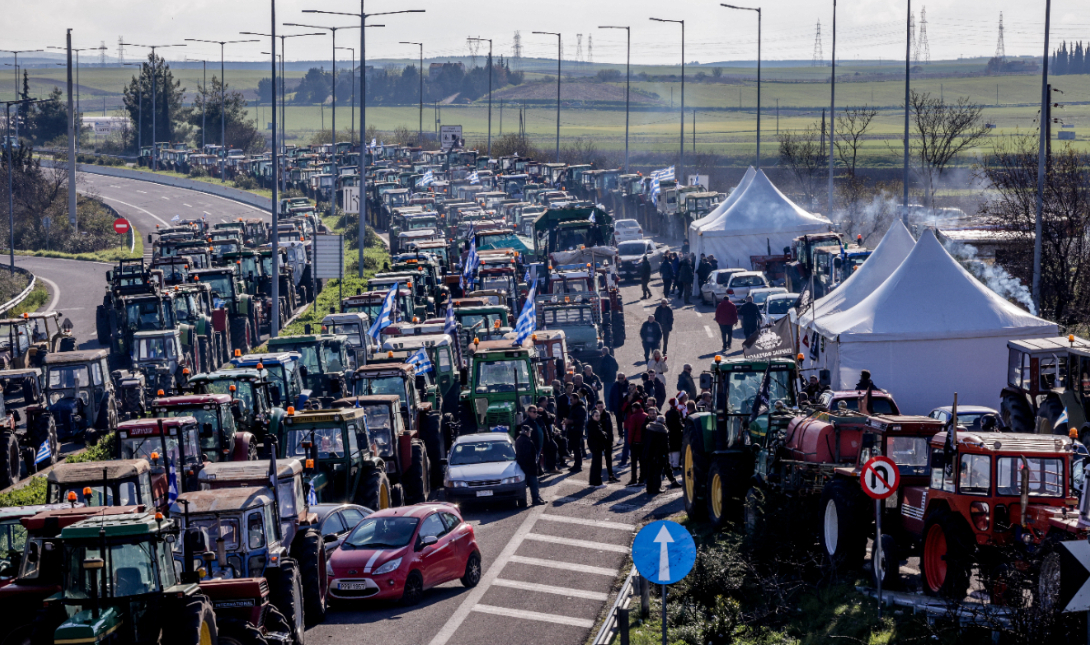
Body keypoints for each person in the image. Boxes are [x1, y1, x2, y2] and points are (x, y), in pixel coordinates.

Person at [516, 426, 545, 505]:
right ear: (526, 432)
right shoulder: (527, 441)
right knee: (534, 484)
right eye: (529, 431)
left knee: (523, 485)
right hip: (529, 466)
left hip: (521, 466)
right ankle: (535, 499)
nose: (530, 433)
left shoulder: (518, 440)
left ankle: (523, 502)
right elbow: (528, 455)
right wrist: (533, 463)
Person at [624, 403, 648, 486]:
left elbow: (631, 431)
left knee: (633, 463)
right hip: (643, 443)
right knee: (642, 462)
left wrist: (629, 442)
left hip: (635, 443)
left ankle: (633, 479)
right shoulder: (646, 416)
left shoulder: (633, 417)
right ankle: (642, 479)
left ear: (634, 408)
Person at [596, 400, 618, 482]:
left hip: (607, 440)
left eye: (602, 407)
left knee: (609, 459)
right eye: (599, 407)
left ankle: (611, 476)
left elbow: (610, 428)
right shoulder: (595, 414)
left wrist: (611, 440)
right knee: (597, 461)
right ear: (596, 407)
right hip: (598, 441)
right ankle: (597, 478)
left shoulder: (607, 414)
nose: (600, 409)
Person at [566, 394, 587, 473]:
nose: (570, 401)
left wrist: (570, 421)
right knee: (575, 449)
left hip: (577, 431)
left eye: (571, 399)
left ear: (576, 399)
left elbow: (580, 421)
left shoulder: (581, 408)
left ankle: (578, 466)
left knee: (577, 449)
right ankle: (576, 465)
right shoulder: (574, 407)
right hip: (572, 430)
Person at [587, 409, 606, 486]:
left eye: (599, 415)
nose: (598, 417)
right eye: (596, 416)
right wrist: (604, 434)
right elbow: (600, 435)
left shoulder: (592, 423)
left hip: (594, 447)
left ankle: (592, 482)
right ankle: (598, 483)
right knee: (597, 466)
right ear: (592, 416)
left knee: (594, 465)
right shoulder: (594, 425)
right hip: (596, 447)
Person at [664, 401, 684, 470]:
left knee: (671, 449)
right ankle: (675, 465)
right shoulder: (676, 412)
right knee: (676, 450)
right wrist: (683, 427)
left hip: (670, 433)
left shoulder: (668, 412)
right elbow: (678, 423)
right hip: (676, 433)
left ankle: (671, 464)